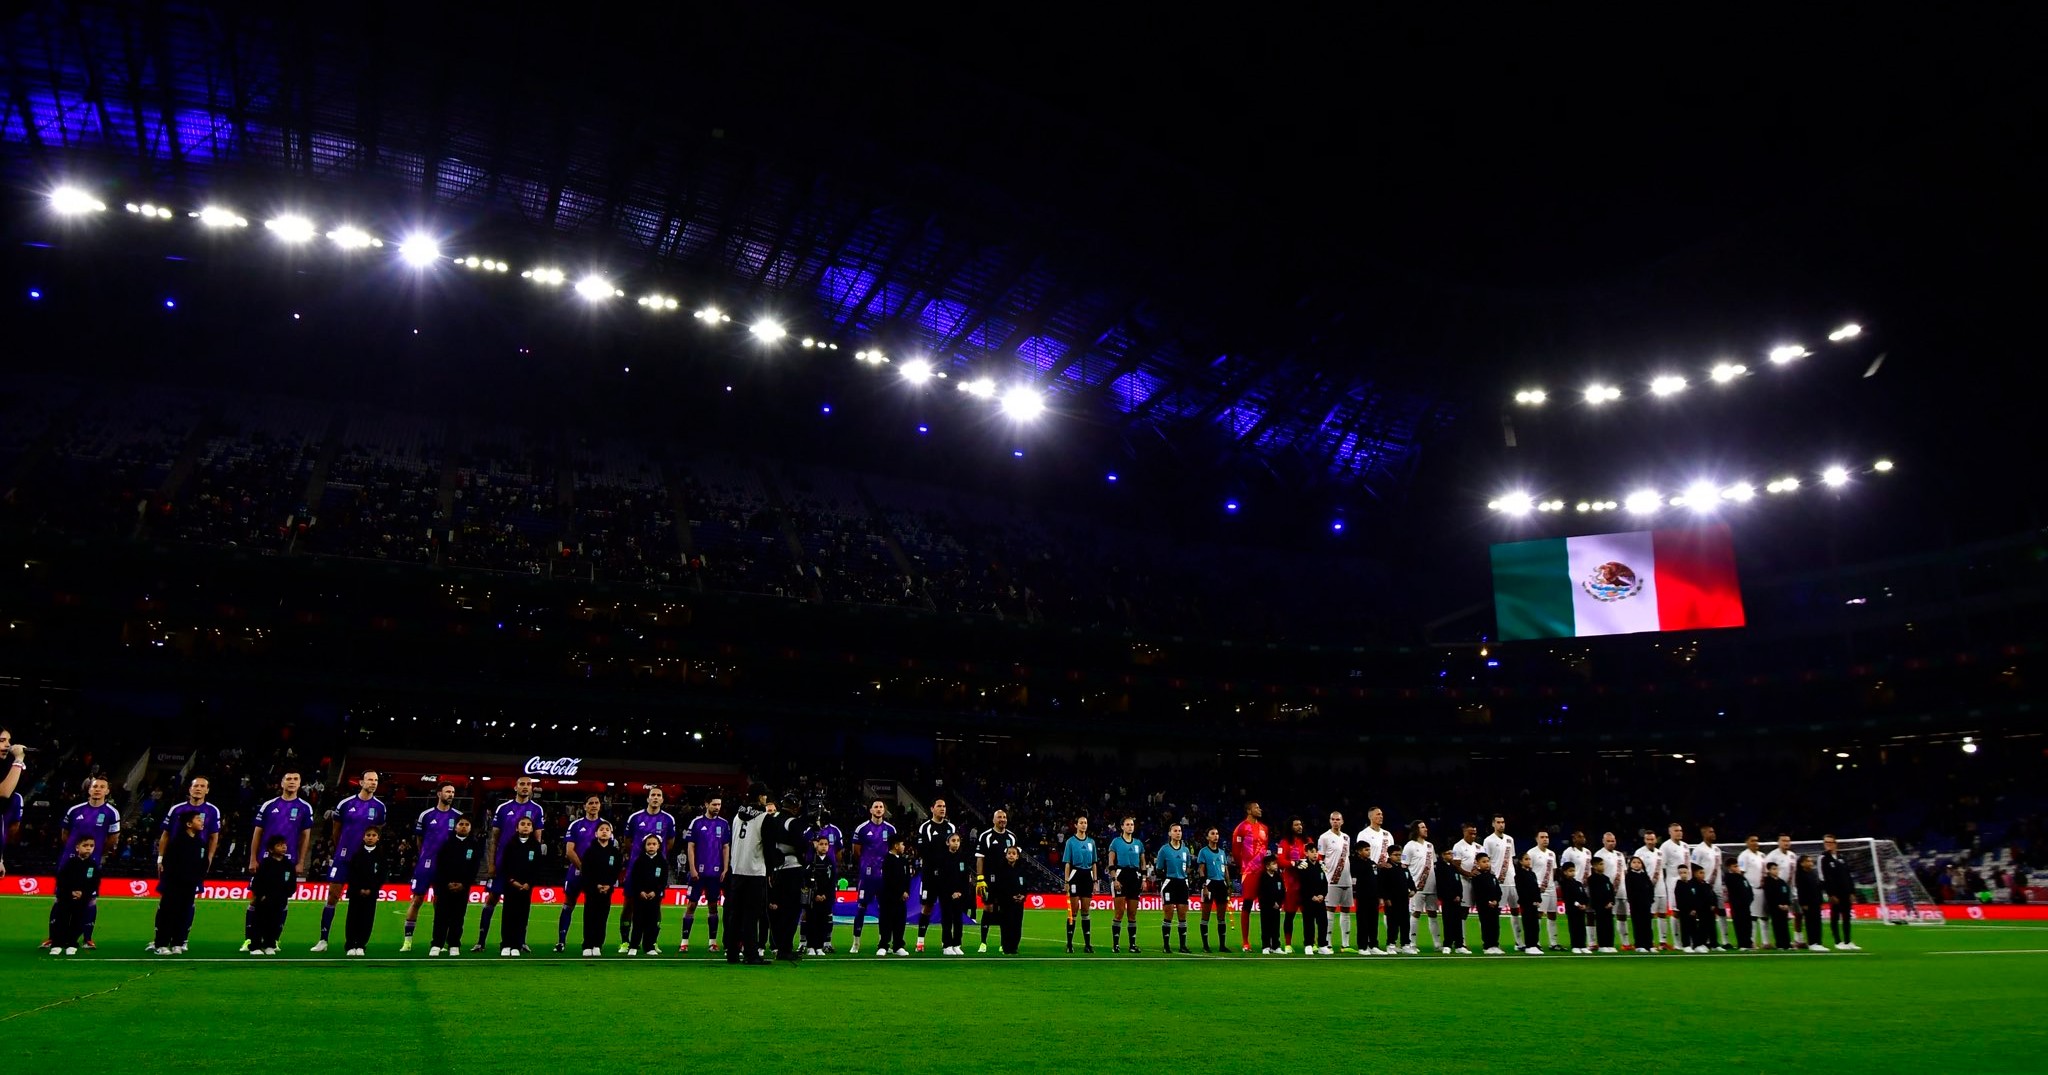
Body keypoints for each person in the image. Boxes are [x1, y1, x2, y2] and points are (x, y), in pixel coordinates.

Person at [241, 771, 316, 952]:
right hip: (265, 861)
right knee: (256, 900)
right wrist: (253, 858)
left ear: (300, 783)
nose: (292, 782)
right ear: (282, 783)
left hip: (288, 863)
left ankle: (273, 940)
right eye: (288, 779)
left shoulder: (305, 807)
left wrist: (300, 862)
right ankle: (250, 940)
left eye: (295, 779)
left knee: (281, 901)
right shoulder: (269, 805)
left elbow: (305, 837)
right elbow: (257, 833)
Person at [314, 770, 385, 953]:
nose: (373, 783)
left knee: (361, 901)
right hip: (344, 858)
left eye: (376, 780)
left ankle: (357, 941)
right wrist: (342, 849)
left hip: (365, 861)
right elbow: (336, 829)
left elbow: (377, 832)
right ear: (361, 782)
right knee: (333, 896)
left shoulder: (379, 807)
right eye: (370, 780)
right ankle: (323, 939)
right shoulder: (346, 804)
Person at [475, 775, 546, 953]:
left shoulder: (537, 809)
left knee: (523, 902)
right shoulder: (504, 808)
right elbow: (494, 839)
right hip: (502, 864)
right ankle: (481, 941)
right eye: (522, 784)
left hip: (523, 867)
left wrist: (533, 869)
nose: (525, 787)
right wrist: (491, 864)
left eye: (529, 784)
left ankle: (520, 941)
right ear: (515, 787)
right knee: (492, 898)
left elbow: (537, 841)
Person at [49, 776, 120, 950]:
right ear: (89, 789)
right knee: (60, 900)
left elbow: (113, 838)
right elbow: (65, 834)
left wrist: (98, 853)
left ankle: (87, 938)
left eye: (102, 787)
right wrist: (73, 852)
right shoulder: (75, 810)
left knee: (90, 900)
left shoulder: (111, 812)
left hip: (92, 863)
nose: (98, 789)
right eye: (95, 786)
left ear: (107, 791)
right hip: (68, 861)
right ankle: (53, 938)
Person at [155, 776, 222, 953]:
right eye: (195, 786)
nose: (198, 789)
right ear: (189, 789)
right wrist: (160, 858)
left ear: (207, 790)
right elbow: (165, 835)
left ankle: (180, 940)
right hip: (174, 866)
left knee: (187, 905)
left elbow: (214, 837)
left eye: (202, 786)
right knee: (168, 904)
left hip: (193, 867)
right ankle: (160, 940)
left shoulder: (212, 811)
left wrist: (208, 860)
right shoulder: (177, 809)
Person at [402, 783, 462, 953]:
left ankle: (439, 941)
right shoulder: (426, 815)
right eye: (448, 791)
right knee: (417, 900)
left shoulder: (458, 816)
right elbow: (419, 840)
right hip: (426, 865)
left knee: (441, 905)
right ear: (439, 794)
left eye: (453, 792)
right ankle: (407, 941)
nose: (450, 794)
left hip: (446, 868)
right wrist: (425, 856)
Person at [619, 786, 678, 953]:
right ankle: (625, 941)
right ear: (648, 798)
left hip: (657, 869)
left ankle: (653, 941)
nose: (656, 798)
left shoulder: (668, 819)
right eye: (653, 795)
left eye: (659, 795)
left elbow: (670, 843)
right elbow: (628, 841)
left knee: (655, 906)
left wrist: (658, 858)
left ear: (662, 799)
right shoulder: (635, 817)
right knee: (629, 905)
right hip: (635, 869)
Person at [761, 792, 813, 961]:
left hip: (773, 868)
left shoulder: (771, 819)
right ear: (795, 807)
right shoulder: (793, 822)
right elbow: (801, 845)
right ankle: (785, 948)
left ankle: (777, 946)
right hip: (792, 869)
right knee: (792, 910)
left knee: (775, 910)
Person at [723, 784, 771, 965]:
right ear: (760, 797)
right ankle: (751, 954)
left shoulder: (737, 815)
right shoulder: (763, 818)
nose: (765, 799)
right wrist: (772, 869)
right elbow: (767, 847)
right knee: (751, 915)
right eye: (764, 796)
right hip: (755, 871)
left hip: (737, 869)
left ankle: (732, 952)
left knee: (735, 914)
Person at [557, 795, 610, 952]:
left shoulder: (605, 826)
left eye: (596, 803)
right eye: (590, 803)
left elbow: (609, 851)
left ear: (600, 806)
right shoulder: (576, 825)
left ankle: (592, 943)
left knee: (593, 908)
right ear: (585, 806)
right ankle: (561, 941)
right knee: (569, 903)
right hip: (577, 872)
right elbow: (569, 851)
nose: (594, 805)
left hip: (597, 877)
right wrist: (583, 868)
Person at [152, 811, 208, 954]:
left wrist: (197, 878)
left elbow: (203, 863)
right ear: (189, 824)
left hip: (190, 885)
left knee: (183, 914)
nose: (202, 821)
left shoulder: (200, 843)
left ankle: (178, 942)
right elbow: (169, 863)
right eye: (198, 819)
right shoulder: (177, 842)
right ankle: (161, 944)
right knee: (168, 913)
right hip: (174, 885)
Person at [681, 796, 731, 954]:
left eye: (719, 805)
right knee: (691, 905)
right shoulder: (696, 822)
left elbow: (725, 847)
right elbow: (691, 847)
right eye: (714, 804)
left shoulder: (723, 824)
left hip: (715, 874)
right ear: (706, 804)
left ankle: (712, 942)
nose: (717, 807)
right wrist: (693, 868)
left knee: (713, 906)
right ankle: (684, 942)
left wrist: (725, 868)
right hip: (698, 873)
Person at [430, 816, 485, 956]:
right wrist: (446, 883)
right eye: (461, 824)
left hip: (463, 887)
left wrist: (464, 884)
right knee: (441, 916)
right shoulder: (446, 843)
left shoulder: (474, 844)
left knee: (458, 917)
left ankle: (454, 944)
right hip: (445, 886)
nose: (464, 827)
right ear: (455, 826)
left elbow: (474, 868)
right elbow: (440, 865)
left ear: (471, 828)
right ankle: (437, 944)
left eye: (467, 824)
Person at [848, 800, 896, 955]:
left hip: (885, 876)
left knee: (885, 910)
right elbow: (856, 851)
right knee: (861, 908)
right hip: (867, 876)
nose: (878, 809)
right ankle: (856, 943)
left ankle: (883, 943)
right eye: (876, 806)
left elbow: (894, 851)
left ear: (884, 810)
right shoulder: (862, 828)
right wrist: (866, 864)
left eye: (881, 807)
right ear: (870, 810)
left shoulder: (890, 829)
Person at [912, 798, 960, 953]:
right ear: (932, 809)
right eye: (939, 806)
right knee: (927, 907)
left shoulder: (950, 826)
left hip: (946, 876)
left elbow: (954, 849)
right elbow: (923, 850)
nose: (942, 809)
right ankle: (920, 941)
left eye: (944, 806)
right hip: (930, 874)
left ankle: (946, 943)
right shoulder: (925, 827)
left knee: (947, 908)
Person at [493, 815, 542, 956]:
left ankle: (517, 944)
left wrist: (528, 883)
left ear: (532, 828)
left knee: (522, 916)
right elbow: (505, 865)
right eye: (522, 824)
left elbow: (537, 868)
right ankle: (506, 944)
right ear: (517, 827)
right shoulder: (510, 845)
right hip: (511, 886)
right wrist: (513, 881)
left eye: (528, 824)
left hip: (526, 888)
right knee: (508, 915)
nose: (525, 826)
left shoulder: (535, 846)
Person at [973, 809, 1019, 953]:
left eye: (1004, 817)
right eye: (999, 817)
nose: (1002, 819)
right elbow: (980, 858)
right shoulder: (986, 836)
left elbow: (1015, 858)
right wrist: (980, 878)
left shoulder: (1011, 836)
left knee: (1004, 911)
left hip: (1006, 881)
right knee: (988, 909)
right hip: (990, 880)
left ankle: (1003, 943)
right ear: (993, 820)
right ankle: (983, 942)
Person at [577, 821, 624, 957]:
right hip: (592, 890)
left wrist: (609, 884)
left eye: (607, 829)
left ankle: (598, 944)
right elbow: (586, 871)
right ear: (596, 833)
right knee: (590, 917)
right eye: (601, 829)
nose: (604, 831)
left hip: (607, 890)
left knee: (602, 918)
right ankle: (587, 944)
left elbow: (616, 871)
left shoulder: (615, 853)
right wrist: (596, 885)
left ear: (611, 834)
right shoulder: (590, 851)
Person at [1355, 808, 1398, 954]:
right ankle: (1363, 945)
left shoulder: (1387, 835)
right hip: (1367, 875)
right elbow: (1360, 854)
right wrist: (1374, 865)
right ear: (1370, 817)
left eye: (1382, 814)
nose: (1381, 816)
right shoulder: (1364, 834)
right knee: (1363, 915)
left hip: (1383, 877)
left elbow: (1391, 854)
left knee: (1375, 914)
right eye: (1378, 814)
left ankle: (1374, 944)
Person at [341, 825, 387, 957]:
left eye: (373, 835)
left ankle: (361, 944)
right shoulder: (356, 855)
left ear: (378, 838)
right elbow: (352, 874)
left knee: (367, 920)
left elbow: (381, 876)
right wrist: (359, 889)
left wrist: (371, 889)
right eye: (368, 835)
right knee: (352, 919)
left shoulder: (381, 856)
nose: (370, 838)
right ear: (363, 837)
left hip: (371, 895)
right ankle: (350, 944)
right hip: (356, 893)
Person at [1231, 802, 1270, 953]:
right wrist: (1245, 867)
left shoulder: (1264, 828)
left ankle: (1267, 943)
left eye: (1260, 807)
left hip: (1264, 872)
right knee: (1247, 905)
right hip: (1248, 872)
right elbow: (1235, 852)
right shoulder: (1241, 828)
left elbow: (1265, 849)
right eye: (1256, 807)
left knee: (1266, 907)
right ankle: (1245, 942)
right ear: (1248, 810)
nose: (1260, 809)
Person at [49, 836, 98, 955]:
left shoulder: (93, 865)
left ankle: (72, 943)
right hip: (66, 898)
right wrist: (70, 891)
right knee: (62, 920)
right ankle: (57, 944)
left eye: (91, 846)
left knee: (78, 921)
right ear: (77, 848)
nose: (88, 849)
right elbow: (61, 880)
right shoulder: (70, 863)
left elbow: (94, 882)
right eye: (85, 846)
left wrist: (84, 893)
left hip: (82, 899)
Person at [248, 836, 295, 955]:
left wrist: (288, 893)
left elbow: (292, 882)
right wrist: (261, 895)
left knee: (274, 923)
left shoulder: (288, 865)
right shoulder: (265, 864)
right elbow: (258, 881)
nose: (284, 847)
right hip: (265, 900)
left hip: (280, 899)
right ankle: (255, 946)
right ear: (271, 849)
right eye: (279, 845)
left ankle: (269, 944)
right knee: (259, 922)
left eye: (284, 844)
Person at [1108, 816, 1146, 953]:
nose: (1130, 826)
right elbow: (1111, 862)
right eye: (1128, 824)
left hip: (1134, 878)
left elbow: (1142, 862)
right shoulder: (1116, 842)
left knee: (1132, 914)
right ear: (1122, 827)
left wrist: (1144, 879)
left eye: (1132, 824)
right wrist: (1115, 880)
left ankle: (1132, 945)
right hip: (1121, 876)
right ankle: (1116, 945)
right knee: (1119, 913)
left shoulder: (1138, 844)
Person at [1401, 820, 1439, 953]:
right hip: (1416, 887)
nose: (1426, 829)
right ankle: (1412, 943)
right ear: (1416, 830)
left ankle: (1437, 943)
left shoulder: (1430, 846)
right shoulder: (1409, 846)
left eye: (1425, 826)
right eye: (1423, 827)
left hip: (1431, 886)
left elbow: (1433, 865)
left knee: (1433, 913)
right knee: (1415, 913)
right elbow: (1404, 866)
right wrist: (1408, 886)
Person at [627, 834, 669, 955]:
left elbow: (663, 880)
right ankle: (633, 946)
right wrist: (640, 891)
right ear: (644, 846)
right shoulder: (639, 861)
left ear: (658, 846)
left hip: (654, 897)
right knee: (638, 921)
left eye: (654, 844)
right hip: (640, 897)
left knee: (652, 922)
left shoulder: (662, 862)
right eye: (649, 844)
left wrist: (655, 892)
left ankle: (649, 946)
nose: (651, 846)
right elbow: (634, 878)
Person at [1062, 816, 1099, 953]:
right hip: (1075, 875)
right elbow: (1067, 863)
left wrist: (1095, 881)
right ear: (1076, 825)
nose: (1084, 825)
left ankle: (1087, 944)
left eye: (1085, 823)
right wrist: (1066, 881)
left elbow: (1094, 862)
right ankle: (1070, 944)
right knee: (1073, 911)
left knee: (1086, 911)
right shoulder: (1071, 842)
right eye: (1081, 823)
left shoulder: (1091, 842)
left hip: (1087, 876)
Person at [1481, 816, 1519, 950]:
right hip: (1497, 881)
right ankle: (1493, 943)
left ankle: (1519, 943)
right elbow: (1486, 860)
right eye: (1498, 822)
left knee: (1516, 910)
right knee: (1495, 912)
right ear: (1493, 824)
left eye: (1503, 822)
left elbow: (1511, 859)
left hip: (1512, 880)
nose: (1501, 825)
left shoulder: (1510, 839)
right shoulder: (1488, 840)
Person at [935, 830, 974, 955]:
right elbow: (942, 879)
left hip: (960, 894)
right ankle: (947, 945)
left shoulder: (963, 857)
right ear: (947, 843)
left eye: (958, 841)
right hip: (946, 894)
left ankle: (957, 944)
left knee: (958, 920)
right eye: (953, 841)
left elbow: (965, 877)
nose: (956, 843)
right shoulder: (942, 858)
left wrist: (961, 892)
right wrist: (951, 892)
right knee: (947, 919)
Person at [1156, 822, 1193, 953]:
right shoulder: (1164, 850)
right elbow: (1158, 869)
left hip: (1182, 883)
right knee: (1169, 913)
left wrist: (1185, 875)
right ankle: (1166, 945)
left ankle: (1183, 945)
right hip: (1169, 883)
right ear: (1170, 833)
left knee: (1182, 914)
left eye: (1180, 831)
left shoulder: (1185, 850)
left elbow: (1188, 866)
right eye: (1175, 831)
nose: (1178, 833)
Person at [1275, 817, 1311, 950]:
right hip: (1291, 883)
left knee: (1308, 915)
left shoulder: (1308, 841)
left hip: (1306, 883)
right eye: (1296, 825)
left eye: (1300, 824)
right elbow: (1280, 861)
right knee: (1290, 914)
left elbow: (1316, 856)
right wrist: (1294, 863)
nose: (1299, 827)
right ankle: (1288, 944)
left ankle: (1310, 943)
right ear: (1290, 827)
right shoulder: (1285, 842)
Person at [1318, 812, 1352, 954]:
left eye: (1338, 820)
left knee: (1346, 910)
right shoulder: (1324, 837)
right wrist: (1325, 872)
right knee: (1330, 910)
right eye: (1333, 819)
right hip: (1331, 879)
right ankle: (1328, 943)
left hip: (1346, 879)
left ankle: (1345, 944)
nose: (1335, 822)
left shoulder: (1346, 838)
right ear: (1330, 821)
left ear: (1342, 821)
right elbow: (1320, 857)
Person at [1819, 834, 1859, 950]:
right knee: (1835, 917)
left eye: (1830, 842)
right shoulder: (1823, 858)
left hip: (1846, 892)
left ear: (1835, 844)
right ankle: (1838, 941)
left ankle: (1848, 941)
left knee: (1847, 917)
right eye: (1826, 842)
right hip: (1834, 894)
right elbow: (1824, 878)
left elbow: (1848, 875)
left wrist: (1852, 892)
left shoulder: (1842, 857)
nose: (1828, 845)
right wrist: (1830, 894)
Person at [987, 845, 1028, 954]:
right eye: (1009, 853)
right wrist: (1010, 896)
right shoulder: (1001, 870)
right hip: (1005, 903)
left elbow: (1026, 885)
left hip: (1019, 903)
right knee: (1006, 925)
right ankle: (1006, 947)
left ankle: (1014, 946)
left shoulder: (1021, 870)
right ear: (1005, 855)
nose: (1011, 855)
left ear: (1017, 856)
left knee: (1017, 924)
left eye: (1013, 853)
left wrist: (1023, 895)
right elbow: (999, 887)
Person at [1762, 834, 1801, 946]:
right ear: (1778, 842)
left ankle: (1798, 939)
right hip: (1776, 891)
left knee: (1798, 914)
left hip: (1791, 890)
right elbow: (1766, 872)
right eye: (1783, 840)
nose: (1786, 843)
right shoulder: (1772, 856)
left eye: (1788, 841)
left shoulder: (1792, 855)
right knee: (1774, 918)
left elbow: (1794, 873)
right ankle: (1769, 942)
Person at [1197, 827, 1232, 952]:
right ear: (1207, 837)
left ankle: (1222, 945)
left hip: (1221, 885)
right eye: (1212, 833)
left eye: (1217, 833)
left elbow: (1225, 870)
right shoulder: (1203, 852)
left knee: (1221, 917)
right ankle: (1205, 945)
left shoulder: (1222, 853)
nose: (1215, 836)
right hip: (1210, 884)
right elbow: (1201, 870)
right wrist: (1204, 886)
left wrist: (1229, 885)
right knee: (1205, 916)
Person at [803, 835, 838, 956]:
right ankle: (810, 946)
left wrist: (826, 895)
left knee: (823, 922)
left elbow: (832, 880)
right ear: (816, 845)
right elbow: (807, 879)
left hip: (826, 897)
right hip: (813, 898)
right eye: (821, 844)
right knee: (812, 921)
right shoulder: (810, 861)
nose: (824, 847)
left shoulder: (830, 863)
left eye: (826, 844)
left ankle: (819, 946)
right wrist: (815, 895)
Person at [1694, 824, 1728, 949]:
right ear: (1704, 834)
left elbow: (1719, 868)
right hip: (1704, 887)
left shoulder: (1717, 850)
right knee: (1704, 914)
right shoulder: (1699, 850)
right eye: (1710, 832)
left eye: (1713, 831)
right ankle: (1706, 940)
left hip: (1717, 885)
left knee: (1721, 911)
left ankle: (1724, 940)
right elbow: (1695, 868)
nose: (1713, 834)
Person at [878, 835, 912, 956]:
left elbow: (907, 877)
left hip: (901, 898)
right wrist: (900, 892)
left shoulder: (904, 861)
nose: (904, 847)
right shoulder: (887, 860)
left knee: (900, 922)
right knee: (886, 921)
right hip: (888, 897)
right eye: (902, 844)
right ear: (896, 845)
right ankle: (883, 945)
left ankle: (898, 946)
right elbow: (888, 879)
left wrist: (907, 891)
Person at [1591, 832, 1625, 949]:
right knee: (1603, 919)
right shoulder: (1599, 854)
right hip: (1605, 892)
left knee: (1621, 916)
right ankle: (1598, 942)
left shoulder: (1620, 855)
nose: (1611, 843)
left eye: (1613, 841)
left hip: (1620, 889)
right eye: (1608, 841)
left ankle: (1624, 943)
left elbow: (1623, 872)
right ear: (1603, 841)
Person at [1633, 829, 1666, 950]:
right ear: (1644, 840)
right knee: (1649, 915)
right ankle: (1650, 941)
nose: (1650, 841)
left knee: (1662, 914)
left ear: (1656, 839)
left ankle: (1663, 941)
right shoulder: (1639, 853)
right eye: (1648, 839)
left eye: (1652, 839)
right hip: (1647, 889)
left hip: (1661, 887)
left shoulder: (1660, 853)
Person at [1659, 823, 1690, 949]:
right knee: (1676, 911)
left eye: (1680, 830)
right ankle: (1677, 943)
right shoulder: (1665, 847)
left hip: (1687, 883)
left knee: (1687, 911)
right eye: (1676, 830)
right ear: (1670, 832)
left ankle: (1687, 940)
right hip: (1673, 883)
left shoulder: (1685, 846)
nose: (1679, 832)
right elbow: (1662, 866)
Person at [1737, 836, 1771, 947]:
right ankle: (1752, 941)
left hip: (1763, 889)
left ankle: (1766, 942)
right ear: (1746, 842)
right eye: (1752, 840)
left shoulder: (1762, 855)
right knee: (1753, 916)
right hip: (1751, 889)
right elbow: (1741, 873)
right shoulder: (1744, 856)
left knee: (1764, 916)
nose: (1755, 842)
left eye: (1757, 840)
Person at [1529, 830, 1560, 951]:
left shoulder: (1552, 854)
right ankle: (1536, 941)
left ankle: (1553, 943)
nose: (1545, 839)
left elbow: (1554, 870)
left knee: (1552, 914)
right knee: (1538, 915)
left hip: (1551, 888)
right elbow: (1529, 871)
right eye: (1542, 837)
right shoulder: (1531, 853)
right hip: (1538, 888)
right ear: (1536, 839)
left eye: (1547, 837)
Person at [1298, 847, 1331, 954]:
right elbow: (1303, 884)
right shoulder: (1303, 866)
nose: (1315, 854)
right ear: (1306, 853)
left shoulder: (1321, 866)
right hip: (1308, 900)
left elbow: (1325, 883)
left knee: (1323, 922)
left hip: (1320, 900)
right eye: (1312, 852)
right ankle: (1308, 944)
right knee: (1309, 923)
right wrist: (1311, 896)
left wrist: (1322, 894)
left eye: (1316, 852)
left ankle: (1322, 945)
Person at [1469, 852, 1502, 954]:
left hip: (1494, 905)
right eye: (1484, 862)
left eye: (1488, 861)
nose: (1487, 864)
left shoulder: (1492, 876)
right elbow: (1479, 892)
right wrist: (1487, 901)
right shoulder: (1477, 877)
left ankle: (1495, 944)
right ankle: (1487, 946)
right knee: (1486, 925)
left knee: (1495, 925)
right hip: (1484, 906)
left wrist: (1496, 900)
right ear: (1478, 863)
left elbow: (1498, 891)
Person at [1437, 846, 1468, 953]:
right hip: (1447, 899)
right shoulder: (1440, 868)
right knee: (1448, 921)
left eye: (1452, 853)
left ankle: (1459, 945)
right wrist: (1451, 896)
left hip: (1457, 899)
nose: (1451, 855)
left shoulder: (1453, 867)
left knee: (1457, 922)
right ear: (1443, 855)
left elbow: (1458, 882)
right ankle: (1447, 944)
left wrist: (1459, 895)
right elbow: (1442, 885)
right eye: (1448, 853)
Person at [1514, 852, 1544, 955]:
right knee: (1528, 924)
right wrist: (1531, 901)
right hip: (1526, 903)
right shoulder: (1519, 875)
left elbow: (1536, 888)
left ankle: (1534, 944)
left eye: (1529, 859)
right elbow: (1521, 891)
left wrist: (1538, 900)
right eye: (1526, 859)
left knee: (1535, 925)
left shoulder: (1532, 874)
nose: (1529, 861)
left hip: (1534, 904)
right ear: (1521, 861)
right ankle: (1529, 945)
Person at [1795, 855, 1826, 951]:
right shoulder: (1800, 875)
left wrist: (1821, 900)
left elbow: (1818, 887)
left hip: (1816, 901)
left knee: (1817, 922)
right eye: (1808, 861)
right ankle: (1812, 942)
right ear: (1802, 863)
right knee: (1810, 922)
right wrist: (1803, 903)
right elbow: (1801, 890)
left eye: (1811, 861)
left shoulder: (1814, 872)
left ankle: (1818, 942)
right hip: (1808, 903)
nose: (1810, 863)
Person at [1724, 859, 1757, 951]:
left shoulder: (1742, 877)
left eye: (1737, 866)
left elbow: (1748, 889)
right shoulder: (1729, 878)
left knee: (1747, 924)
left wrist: (1749, 899)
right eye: (1734, 866)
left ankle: (1748, 942)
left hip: (1746, 905)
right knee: (1740, 924)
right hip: (1737, 906)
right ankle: (1742, 944)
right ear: (1729, 868)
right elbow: (1736, 892)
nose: (1737, 868)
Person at [1624, 855, 1655, 953]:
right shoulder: (1629, 876)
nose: (1636, 864)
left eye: (1638, 862)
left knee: (1647, 924)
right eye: (1634, 862)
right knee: (1638, 924)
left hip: (1646, 904)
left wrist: (1650, 900)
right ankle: (1639, 944)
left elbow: (1650, 888)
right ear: (1630, 865)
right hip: (1636, 904)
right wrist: (1633, 901)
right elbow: (1630, 891)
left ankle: (1649, 944)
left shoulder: (1645, 875)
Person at [1257, 855, 1286, 954]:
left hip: (1277, 907)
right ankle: (1265, 946)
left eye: (1276, 863)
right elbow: (1263, 893)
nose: (1276, 865)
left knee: (1276, 927)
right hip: (1266, 907)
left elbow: (1282, 890)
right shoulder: (1263, 877)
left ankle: (1276, 946)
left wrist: (1279, 903)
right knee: (1266, 926)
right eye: (1273, 864)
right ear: (1267, 866)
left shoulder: (1278, 877)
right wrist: (1271, 903)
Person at [1587, 855, 1617, 952]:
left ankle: (1610, 944)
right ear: (1594, 866)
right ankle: (1603, 944)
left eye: (1603, 864)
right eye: (1600, 864)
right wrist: (1603, 903)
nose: (1603, 866)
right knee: (1601, 925)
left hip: (1609, 906)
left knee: (1609, 925)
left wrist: (1612, 902)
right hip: (1600, 906)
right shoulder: (1592, 879)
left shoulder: (1606, 878)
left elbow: (1611, 891)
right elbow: (1595, 893)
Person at [1559, 860, 1589, 954]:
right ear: (1565, 872)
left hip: (1581, 910)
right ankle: (1575, 945)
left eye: (1573, 870)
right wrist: (1577, 904)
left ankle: (1582, 945)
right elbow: (1567, 897)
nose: (1572, 872)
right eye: (1570, 871)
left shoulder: (1578, 884)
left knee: (1582, 928)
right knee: (1574, 928)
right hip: (1572, 910)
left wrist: (1585, 904)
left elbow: (1584, 896)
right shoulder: (1565, 884)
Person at [1764, 861, 1794, 950]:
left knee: (1784, 925)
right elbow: (1769, 895)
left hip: (1784, 908)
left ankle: (1787, 944)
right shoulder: (1768, 882)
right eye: (1773, 869)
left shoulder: (1782, 882)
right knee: (1777, 926)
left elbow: (1786, 893)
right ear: (1769, 870)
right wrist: (1778, 904)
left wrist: (1787, 904)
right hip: (1775, 908)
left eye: (1777, 869)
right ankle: (1780, 944)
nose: (1776, 871)